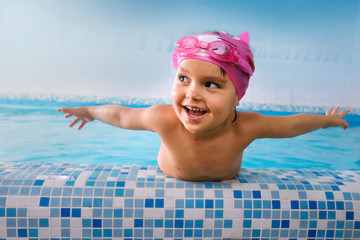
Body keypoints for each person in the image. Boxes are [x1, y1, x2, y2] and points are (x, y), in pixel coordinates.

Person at [58, 30, 350, 181]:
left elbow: (290, 125)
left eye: (211, 84)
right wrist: (91, 112)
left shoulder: (246, 127)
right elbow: (122, 115)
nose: (192, 94)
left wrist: (326, 121)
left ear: (237, 97)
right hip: (169, 176)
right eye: (184, 78)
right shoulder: (164, 119)